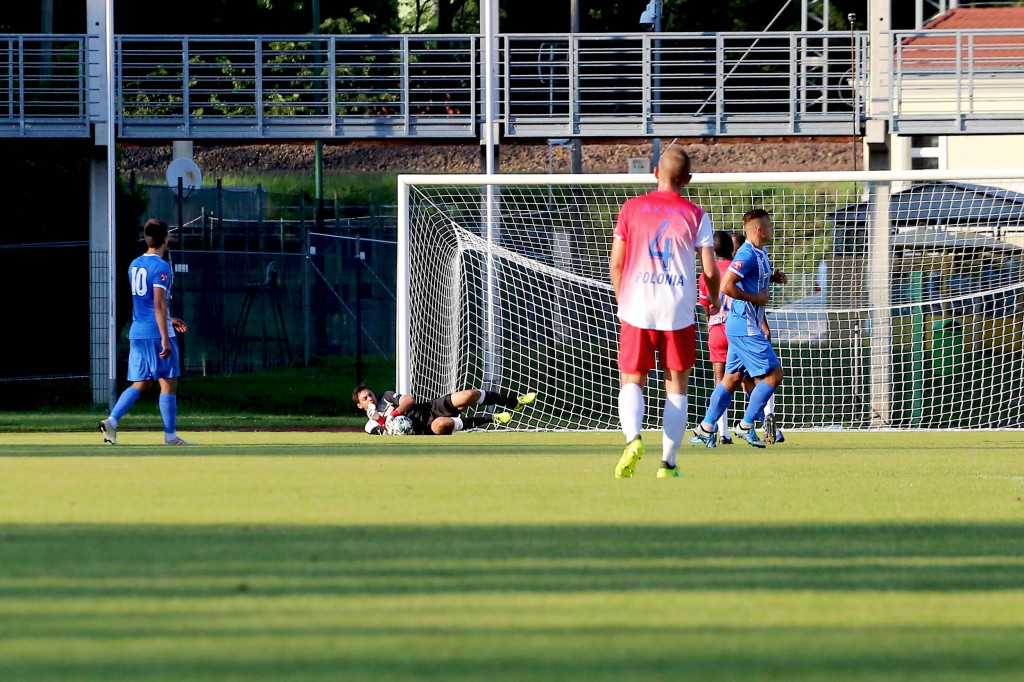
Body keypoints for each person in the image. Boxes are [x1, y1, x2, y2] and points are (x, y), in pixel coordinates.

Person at [609, 146, 720, 479]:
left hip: (637, 304)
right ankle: (668, 463)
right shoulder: (697, 215)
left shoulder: (631, 208)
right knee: (677, 384)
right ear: (688, 179)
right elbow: (711, 272)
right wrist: (713, 300)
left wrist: (622, 302)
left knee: (632, 377)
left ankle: (633, 439)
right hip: (678, 310)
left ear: (655, 172)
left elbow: (616, 263)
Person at [692, 209, 784, 449]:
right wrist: (755, 298)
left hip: (743, 325)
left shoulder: (760, 252)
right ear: (759, 230)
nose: (773, 229)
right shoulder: (746, 253)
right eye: (770, 225)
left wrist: (774, 278)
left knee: (731, 379)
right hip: (743, 324)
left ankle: (707, 426)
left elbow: (752, 277)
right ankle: (745, 425)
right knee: (774, 375)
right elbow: (726, 286)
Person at [99, 219, 193, 446]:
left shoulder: (135, 264)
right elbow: (158, 304)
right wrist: (164, 336)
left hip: (138, 332)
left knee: (141, 383)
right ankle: (170, 436)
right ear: (166, 238)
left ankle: (112, 420)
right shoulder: (161, 266)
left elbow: (146, 302)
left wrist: (169, 318)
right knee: (168, 382)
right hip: (156, 333)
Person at [353, 385, 536, 435]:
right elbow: (388, 434)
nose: (370, 398)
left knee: (467, 396)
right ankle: (491, 419)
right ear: (360, 405)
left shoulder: (386, 397)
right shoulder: (370, 426)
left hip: (429, 408)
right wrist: (379, 419)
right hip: (425, 428)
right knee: (442, 424)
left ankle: (514, 402)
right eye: (365, 398)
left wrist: (393, 413)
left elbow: (409, 400)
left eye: (370, 395)